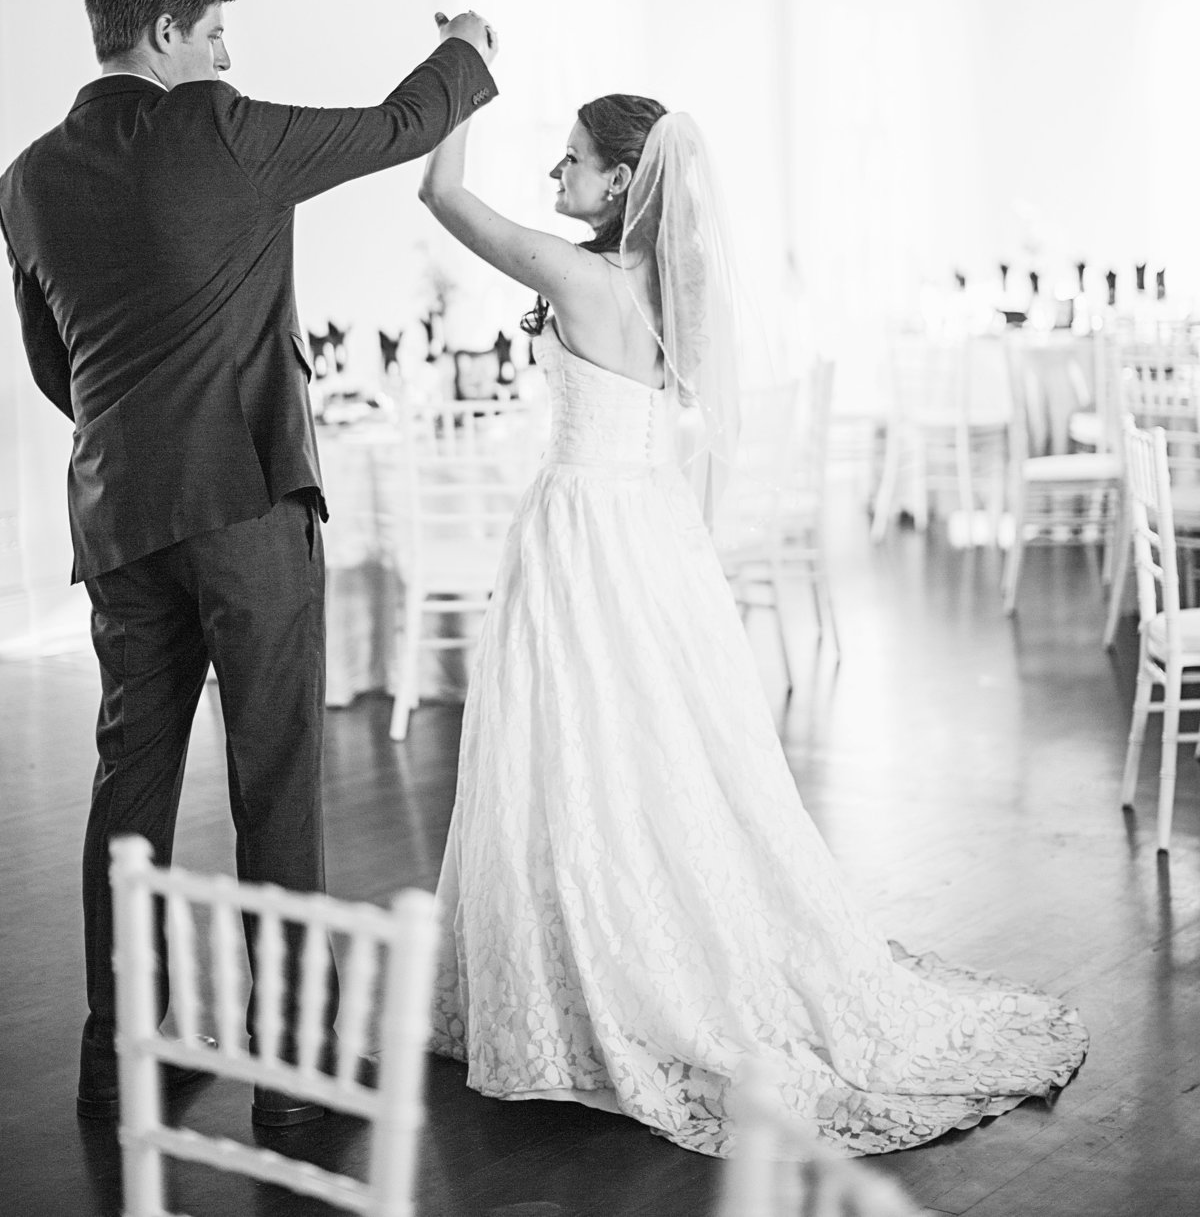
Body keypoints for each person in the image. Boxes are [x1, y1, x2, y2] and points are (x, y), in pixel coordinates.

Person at [417, 89, 1088, 1158]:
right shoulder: (672, 294)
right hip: (654, 533)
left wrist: (466, 65)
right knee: (661, 753)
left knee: (572, 749)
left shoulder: (578, 278)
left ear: (623, 184)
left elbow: (439, 189)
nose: (556, 178)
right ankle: (627, 944)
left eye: (573, 161)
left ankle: (591, 967)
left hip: (584, 532)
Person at [0, 0, 499, 1127]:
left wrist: (140, 439)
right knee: (275, 779)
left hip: (119, 514)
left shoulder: (25, 178)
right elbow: (396, 124)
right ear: (167, 35)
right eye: (217, 32)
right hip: (246, 507)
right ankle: (296, 1066)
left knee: (132, 784)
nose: (228, 54)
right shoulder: (220, 127)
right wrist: (469, 48)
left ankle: (118, 1048)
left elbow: (52, 367)